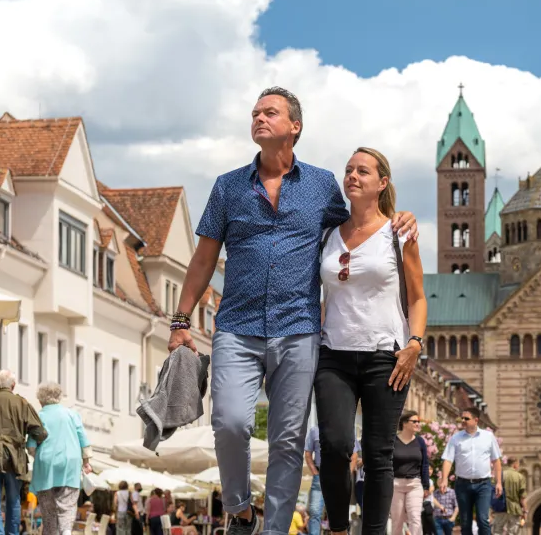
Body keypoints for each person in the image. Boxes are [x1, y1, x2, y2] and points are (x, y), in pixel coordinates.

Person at [168, 87, 418, 535]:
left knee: (287, 442)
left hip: (299, 329)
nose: (259, 118)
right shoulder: (227, 187)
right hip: (237, 327)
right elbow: (204, 258)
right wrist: (181, 319)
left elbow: (360, 227)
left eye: (270, 112)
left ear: (294, 127)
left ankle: (274, 530)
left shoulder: (322, 185)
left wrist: (402, 218)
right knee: (229, 423)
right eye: (255, 113)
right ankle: (241, 509)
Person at [315, 148, 426, 535]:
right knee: (334, 444)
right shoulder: (328, 233)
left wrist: (414, 343)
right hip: (334, 355)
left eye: (362, 171)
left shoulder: (399, 232)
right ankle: (339, 530)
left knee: (379, 453)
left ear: (382, 183)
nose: (352, 176)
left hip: (386, 356)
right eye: (348, 170)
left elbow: (417, 297)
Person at [0, 370, 48, 535]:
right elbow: (40, 432)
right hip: (15, 456)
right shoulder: (21, 403)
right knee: (14, 500)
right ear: (13, 385)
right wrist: (33, 447)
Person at [27, 382, 93, 535]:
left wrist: (36, 454)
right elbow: (83, 439)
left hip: (45, 464)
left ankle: (51, 531)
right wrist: (86, 461)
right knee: (68, 504)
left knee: (48, 509)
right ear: (59, 397)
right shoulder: (71, 414)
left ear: (40, 399)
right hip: (70, 463)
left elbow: (31, 446)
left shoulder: (39, 416)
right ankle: (66, 531)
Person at [439, 408, 503, 535]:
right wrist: (445, 479)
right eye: (462, 418)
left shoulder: (488, 436)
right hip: (462, 484)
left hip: (483, 484)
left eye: (466, 419)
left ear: (476, 420)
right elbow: (447, 460)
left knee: (482, 519)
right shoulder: (456, 438)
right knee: (465, 522)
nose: (463, 421)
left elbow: (496, 460)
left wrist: (499, 482)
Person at [389, 411, 431, 535]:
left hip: (414, 484)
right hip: (396, 484)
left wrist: (426, 485)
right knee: (397, 520)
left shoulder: (420, 441)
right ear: (405, 423)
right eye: (415, 421)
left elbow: (424, 464)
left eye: (419, 421)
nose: (418, 424)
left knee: (415, 518)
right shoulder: (393, 440)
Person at [492, 458, 526, 535]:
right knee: (513, 532)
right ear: (515, 464)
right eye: (518, 464)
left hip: (500, 507)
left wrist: (492, 508)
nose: (518, 466)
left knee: (497, 530)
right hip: (514, 508)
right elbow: (522, 497)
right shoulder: (520, 477)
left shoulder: (500, 475)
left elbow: (493, 491)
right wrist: (525, 510)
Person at [304, 426, 324, 535]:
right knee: (315, 512)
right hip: (319, 475)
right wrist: (315, 473)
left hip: (338, 475)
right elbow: (308, 454)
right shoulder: (314, 430)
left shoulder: (346, 425)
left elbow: (354, 455)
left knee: (338, 513)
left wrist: (347, 474)